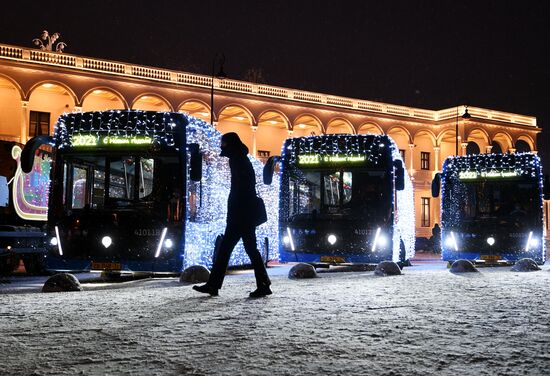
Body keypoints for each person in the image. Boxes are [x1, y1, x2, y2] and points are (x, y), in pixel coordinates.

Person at [193, 132, 272, 298]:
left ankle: (214, 285)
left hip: (240, 215)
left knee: (229, 250)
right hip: (243, 214)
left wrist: (234, 213)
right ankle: (261, 284)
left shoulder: (238, 160)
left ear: (231, 144)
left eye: (224, 143)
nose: (222, 146)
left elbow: (241, 190)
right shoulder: (239, 159)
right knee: (239, 249)